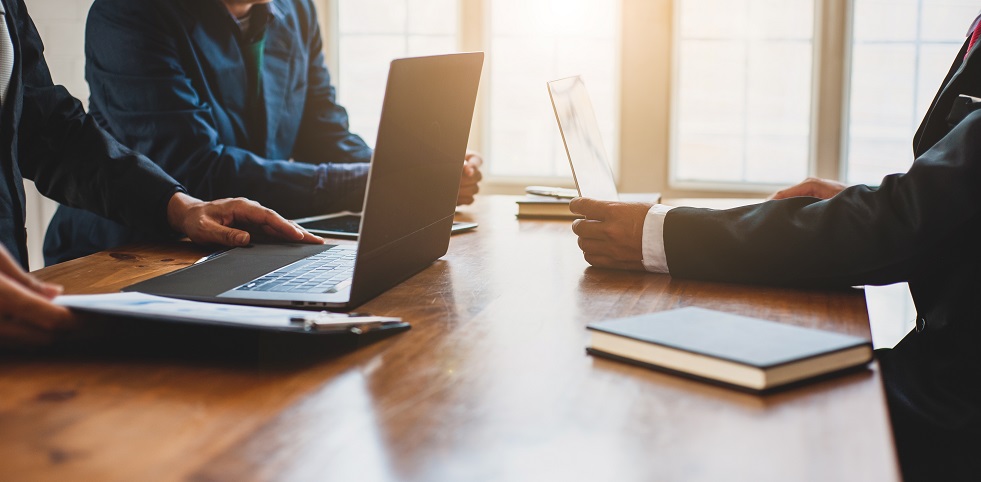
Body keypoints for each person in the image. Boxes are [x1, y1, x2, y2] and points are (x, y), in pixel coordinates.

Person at [569, 13, 981, 481]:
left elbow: (904, 225)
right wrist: (867, 203)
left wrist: (661, 235)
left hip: (956, 398)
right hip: (941, 366)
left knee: (698, 416)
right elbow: (951, 201)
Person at [43, 0, 484, 265]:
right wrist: (381, 182)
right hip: (124, 256)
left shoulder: (295, 10)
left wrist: (413, 170)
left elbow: (325, 133)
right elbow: (199, 172)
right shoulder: (130, 13)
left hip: (243, 252)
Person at [0, 0, 322, 347]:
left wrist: (179, 207)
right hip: (105, 255)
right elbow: (198, 162)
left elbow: (49, 130)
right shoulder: (130, 13)